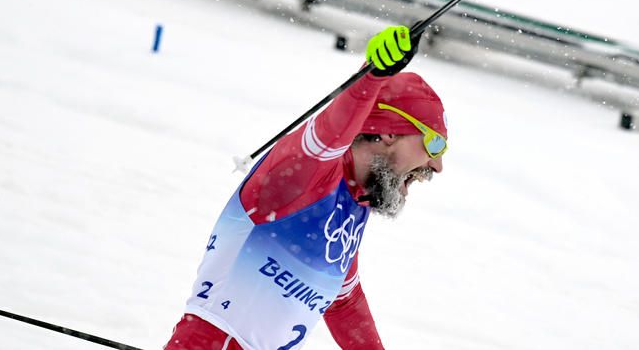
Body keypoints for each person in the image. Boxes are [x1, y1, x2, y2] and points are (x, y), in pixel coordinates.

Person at [164, 25, 447, 350]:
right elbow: (327, 136)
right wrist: (372, 76)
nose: (437, 165)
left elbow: (344, 300)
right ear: (388, 133)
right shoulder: (306, 173)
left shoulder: (355, 202)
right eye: (433, 144)